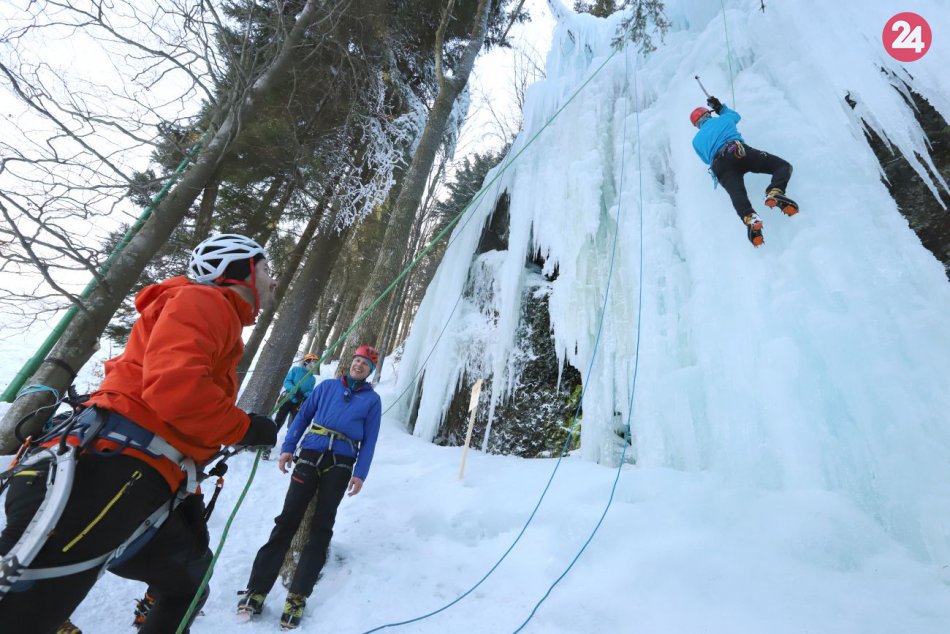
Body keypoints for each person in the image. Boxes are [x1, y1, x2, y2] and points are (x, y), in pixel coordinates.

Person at [0, 233, 279, 633]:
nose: (273, 280)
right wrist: (245, 427)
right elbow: (176, 391)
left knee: (188, 585)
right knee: (24, 611)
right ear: (241, 270)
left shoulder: (213, 313)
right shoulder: (204, 300)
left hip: (136, 471)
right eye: (267, 269)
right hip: (115, 469)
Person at [237, 345, 382, 630]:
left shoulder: (372, 401)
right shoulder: (326, 387)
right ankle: (256, 590)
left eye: (365, 364)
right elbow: (302, 418)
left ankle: (298, 596)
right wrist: (288, 448)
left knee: (322, 527)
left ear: (370, 371)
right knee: (287, 520)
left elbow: (371, 440)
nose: (359, 366)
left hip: (341, 464)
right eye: (356, 361)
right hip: (310, 456)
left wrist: (360, 473)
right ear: (349, 363)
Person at [690, 96, 799, 247]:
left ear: (696, 125)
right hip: (738, 152)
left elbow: (705, 159)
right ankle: (775, 191)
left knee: (737, 194)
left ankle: (750, 218)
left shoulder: (695, 142)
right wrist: (720, 107)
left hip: (719, 166)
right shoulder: (723, 119)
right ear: (708, 114)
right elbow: (736, 116)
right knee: (782, 166)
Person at [263, 353, 319, 460]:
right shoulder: (295, 370)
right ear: (307, 361)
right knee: (278, 422)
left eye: (315, 362)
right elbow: (287, 381)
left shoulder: (312, 379)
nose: (314, 364)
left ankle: (287, 450)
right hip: (287, 399)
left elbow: (310, 391)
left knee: (293, 426)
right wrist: (295, 390)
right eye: (313, 361)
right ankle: (267, 448)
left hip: (298, 403)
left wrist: (304, 395)